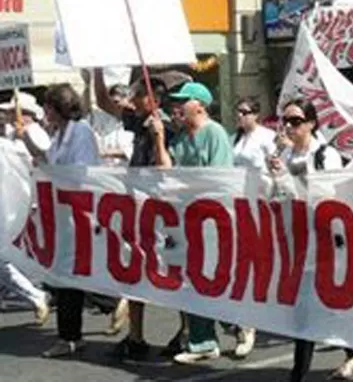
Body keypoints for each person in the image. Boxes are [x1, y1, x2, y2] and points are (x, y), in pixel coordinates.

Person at [94, 69, 182, 360]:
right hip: (138, 207)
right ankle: (136, 337)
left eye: (139, 95)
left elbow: (165, 168)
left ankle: (186, 332)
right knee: (134, 271)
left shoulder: (167, 127)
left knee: (172, 272)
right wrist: (95, 72)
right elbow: (106, 104)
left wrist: (158, 138)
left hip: (161, 211)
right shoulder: (141, 121)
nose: (133, 100)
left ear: (153, 99)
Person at [275, 99, 353, 381]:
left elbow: (329, 198)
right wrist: (276, 175)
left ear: (312, 123)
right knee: (310, 307)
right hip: (298, 240)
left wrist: (293, 181)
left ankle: (299, 373)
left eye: (296, 121)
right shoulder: (286, 155)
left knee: (313, 307)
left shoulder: (325, 155)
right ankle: (352, 351)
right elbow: (277, 197)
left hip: (325, 243)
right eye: (286, 121)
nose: (290, 127)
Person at [23, 84, 102, 358]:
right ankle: (71, 334)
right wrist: (30, 145)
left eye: (48, 107)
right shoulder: (58, 135)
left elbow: (80, 171)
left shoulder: (80, 133)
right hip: (63, 216)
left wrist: (54, 173)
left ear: (59, 108)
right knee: (67, 274)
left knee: (71, 274)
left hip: (79, 213)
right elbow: (50, 162)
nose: (44, 112)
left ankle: (70, 336)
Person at [163, 82, 239, 365]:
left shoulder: (215, 133)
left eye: (183, 101)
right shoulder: (180, 138)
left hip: (211, 220)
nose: (177, 107)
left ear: (200, 105)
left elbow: (219, 179)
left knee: (212, 279)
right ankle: (203, 340)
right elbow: (166, 172)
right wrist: (159, 138)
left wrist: (186, 189)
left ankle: (237, 324)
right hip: (185, 220)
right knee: (191, 281)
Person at [0, 93, 51, 326]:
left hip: (29, 202)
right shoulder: (10, 136)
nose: (7, 114)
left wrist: (22, 140)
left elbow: (41, 160)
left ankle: (104, 298)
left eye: (12, 110)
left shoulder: (35, 134)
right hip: (13, 201)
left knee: (34, 255)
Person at [232, 96, 276, 172]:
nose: (240, 115)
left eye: (244, 113)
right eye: (238, 112)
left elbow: (274, 162)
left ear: (255, 115)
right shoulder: (233, 138)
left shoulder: (267, 136)